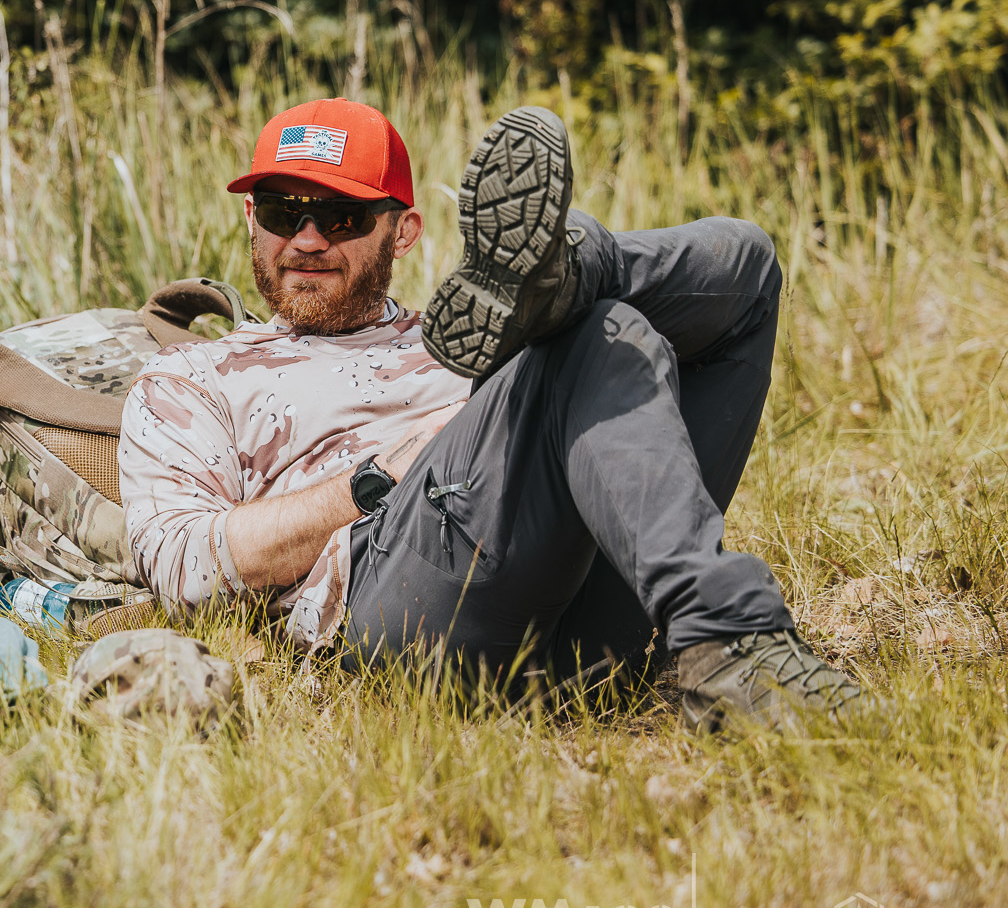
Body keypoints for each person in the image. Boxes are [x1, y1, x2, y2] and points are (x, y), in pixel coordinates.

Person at [118, 98, 866, 732]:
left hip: (587, 620)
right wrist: (378, 477)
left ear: (402, 231)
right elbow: (185, 564)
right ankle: (725, 634)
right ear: (252, 219)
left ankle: (572, 276)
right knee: (604, 335)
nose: (307, 239)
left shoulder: (473, 325)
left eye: (342, 216)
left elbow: (733, 293)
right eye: (284, 213)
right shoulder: (192, 376)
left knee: (748, 266)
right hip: (406, 608)